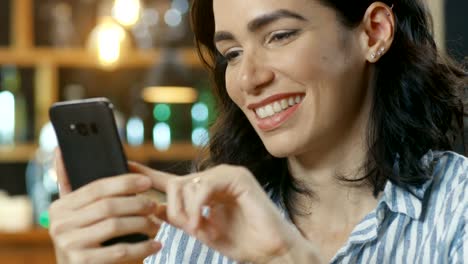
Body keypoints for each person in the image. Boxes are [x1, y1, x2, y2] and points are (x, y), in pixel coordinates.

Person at [48, 0, 468, 263]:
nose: (247, 78)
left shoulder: (457, 210)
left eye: (280, 35)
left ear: (373, 32)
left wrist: (285, 258)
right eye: (231, 53)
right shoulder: (195, 231)